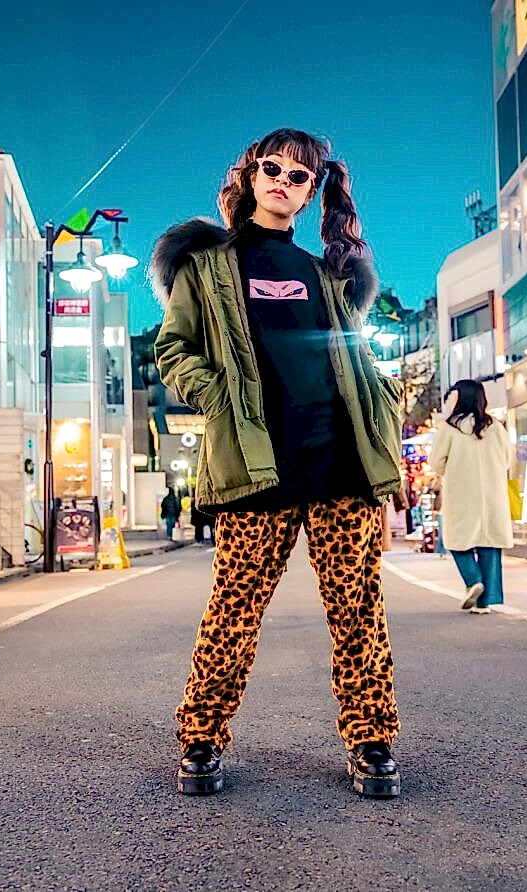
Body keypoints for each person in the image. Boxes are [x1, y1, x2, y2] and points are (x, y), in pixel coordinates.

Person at [153, 128, 406, 798]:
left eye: (300, 176)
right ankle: (201, 738)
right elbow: (174, 350)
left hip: (340, 463)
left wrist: (383, 469)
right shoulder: (208, 267)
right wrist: (215, 393)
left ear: (311, 191)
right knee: (234, 609)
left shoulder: (326, 276)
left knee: (358, 608)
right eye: (273, 168)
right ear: (250, 173)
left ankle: (372, 741)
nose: (282, 182)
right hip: (254, 467)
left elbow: (352, 364)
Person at [429, 380, 513, 614]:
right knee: (489, 542)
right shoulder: (496, 427)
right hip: (492, 494)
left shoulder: (450, 427)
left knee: (456, 540)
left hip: (461, 491)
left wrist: (449, 469)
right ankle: (484, 601)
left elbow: (436, 462)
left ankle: (473, 579)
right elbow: (507, 459)